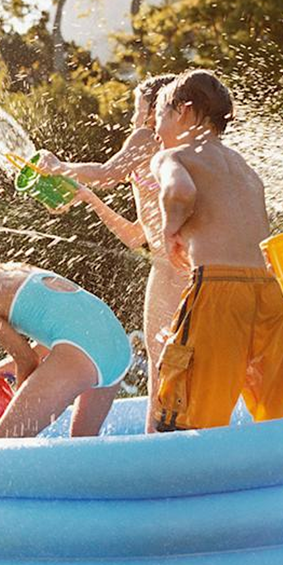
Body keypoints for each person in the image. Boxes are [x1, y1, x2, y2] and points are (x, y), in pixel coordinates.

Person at [150, 70, 283, 431]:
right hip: (273, 291)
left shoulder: (173, 157)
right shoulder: (244, 167)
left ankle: (191, 485)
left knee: (188, 418)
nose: (154, 127)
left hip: (221, 290)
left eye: (159, 114)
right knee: (280, 419)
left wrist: (170, 229)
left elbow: (179, 192)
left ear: (185, 113)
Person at [37, 73, 183, 431]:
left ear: (153, 111)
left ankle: (156, 446)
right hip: (174, 265)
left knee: (162, 362)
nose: (133, 120)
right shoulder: (169, 154)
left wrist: (60, 167)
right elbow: (137, 237)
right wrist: (89, 198)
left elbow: (108, 171)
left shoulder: (149, 137)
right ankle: (177, 440)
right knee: (173, 361)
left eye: (137, 110)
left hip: (171, 271)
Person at [0, 222, 131, 438]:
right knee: (83, 445)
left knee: (3, 446)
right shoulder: (16, 270)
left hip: (84, 350)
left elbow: (27, 360)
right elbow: (68, 324)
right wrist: (7, 365)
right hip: (117, 343)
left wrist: (16, 403)